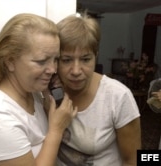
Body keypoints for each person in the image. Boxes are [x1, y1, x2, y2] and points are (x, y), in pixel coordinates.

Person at [0, 13, 77, 166]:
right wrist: (56, 130)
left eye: (55, 59)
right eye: (42, 61)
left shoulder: (32, 93)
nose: (53, 69)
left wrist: (47, 106)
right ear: (10, 61)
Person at [54, 12, 141, 166]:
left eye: (85, 59)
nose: (75, 70)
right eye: (66, 60)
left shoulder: (118, 97)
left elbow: (134, 159)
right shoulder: (49, 89)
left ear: (96, 56)